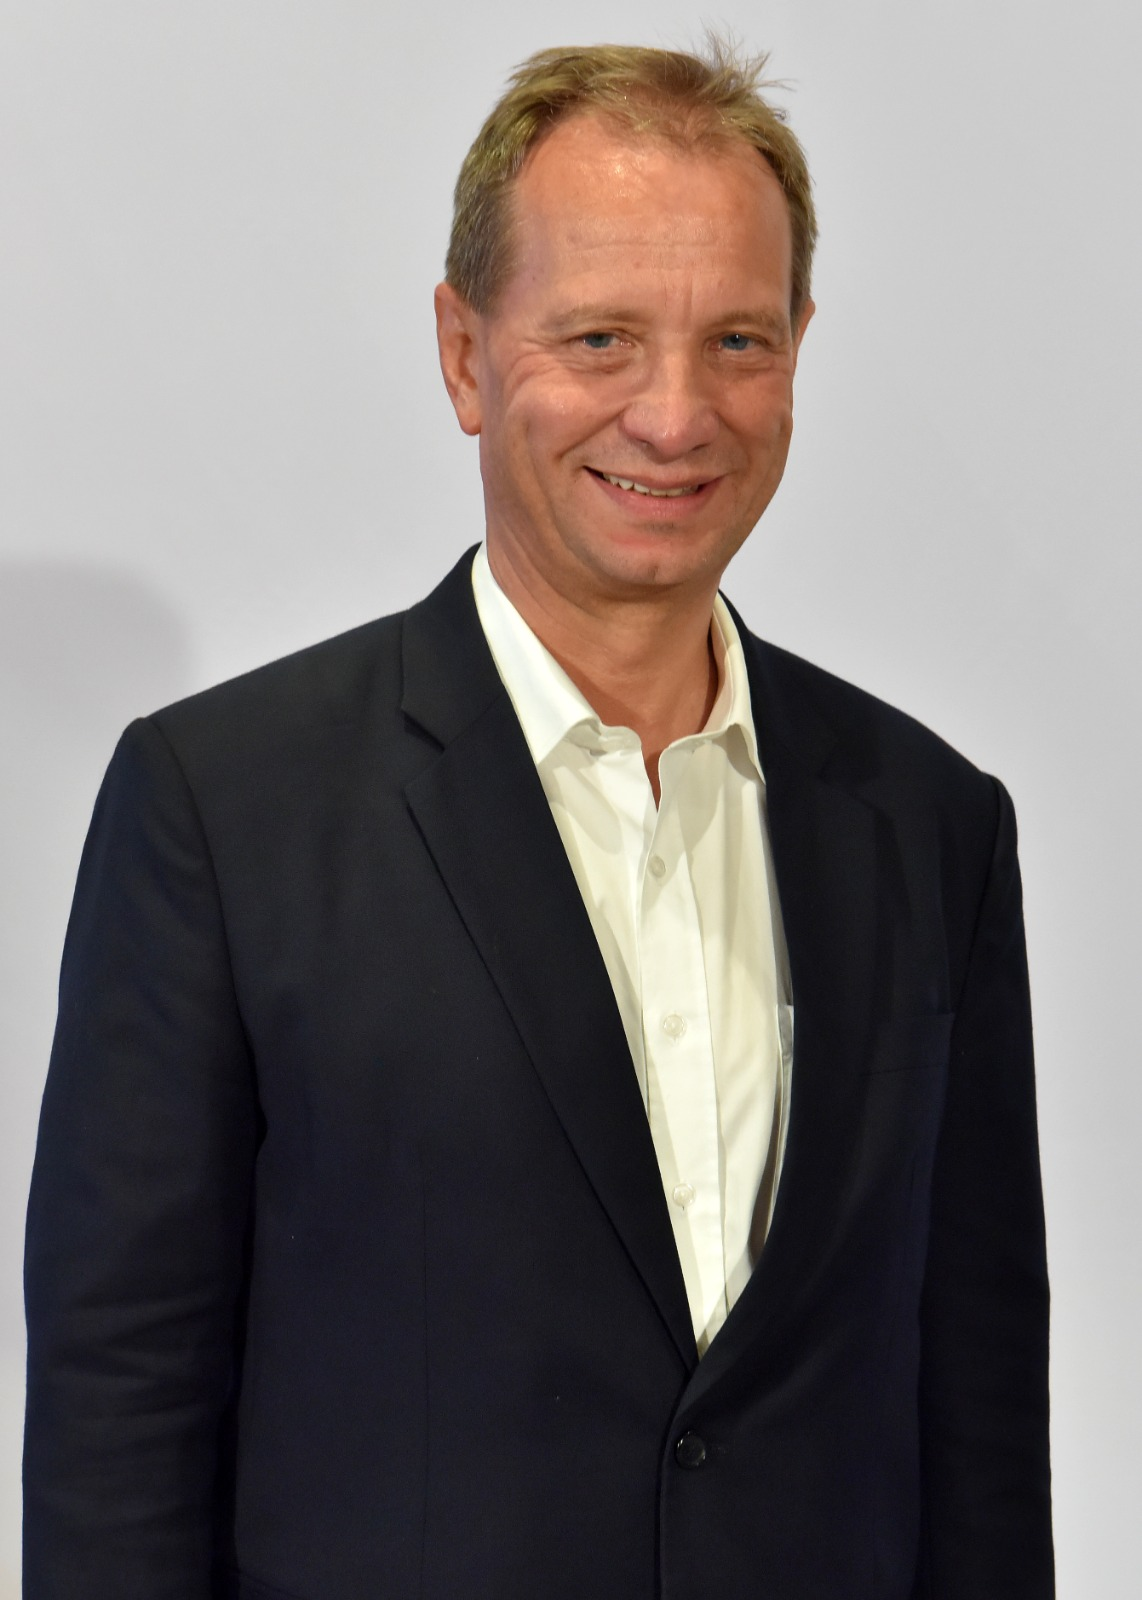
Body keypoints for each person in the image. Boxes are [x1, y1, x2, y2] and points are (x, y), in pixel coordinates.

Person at [23, 40, 1054, 1600]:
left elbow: (974, 1410)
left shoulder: (930, 822)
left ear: (797, 350)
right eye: (598, 338)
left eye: (735, 340)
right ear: (463, 354)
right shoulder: (223, 811)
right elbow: (121, 1412)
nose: (674, 413)